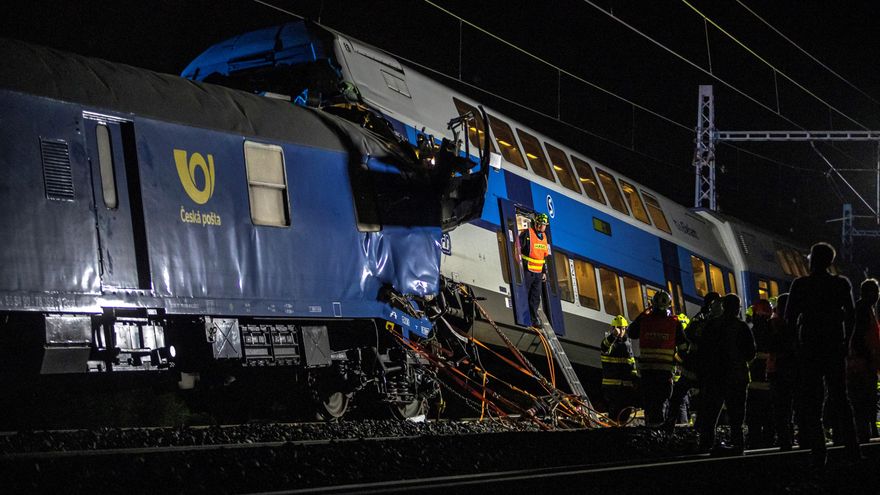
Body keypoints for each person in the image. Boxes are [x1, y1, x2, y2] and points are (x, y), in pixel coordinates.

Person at [784, 242, 860, 467]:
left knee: (812, 400)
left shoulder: (800, 285)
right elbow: (851, 314)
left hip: (810, 347)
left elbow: (790, 318)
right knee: (840, 397)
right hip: (834, 346)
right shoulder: (841, 284)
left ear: (813, 260)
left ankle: (819, 450)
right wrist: (847, 341)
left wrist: (796, 344)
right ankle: (852, 448)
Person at [697, 293, 756, 455]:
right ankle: (738, 444)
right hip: (737, 377)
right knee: (736, 416)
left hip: (715, 377)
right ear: (737, 308)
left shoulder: (712, 325)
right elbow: (751, 353)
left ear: (723, 306)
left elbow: (702, 350)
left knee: (710, 414)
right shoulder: (742, 327)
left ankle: (706, 444)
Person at [628, 291, 686, 427]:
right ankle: (659, 432)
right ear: (669, 305)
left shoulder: (644, 320)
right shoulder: (674, 323)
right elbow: (684, 348)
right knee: (661, 402)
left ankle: (651, 429)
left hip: (647, 371)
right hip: (665, 372)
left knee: (649, 402)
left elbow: (631, 333)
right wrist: (676, 361)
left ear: (652, 304)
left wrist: (644, 313)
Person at [846, 278, 880, 443]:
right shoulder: (863, 309)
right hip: (863, 363)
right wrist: (867, 357)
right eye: (874, 291)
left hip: (865, 361)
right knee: (865, 397)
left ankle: (867, 429)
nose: (877, 294)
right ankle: (866, 430)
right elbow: (859, 337)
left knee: (866, 397)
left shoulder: (866, 308)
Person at [767, 293, 796, 450]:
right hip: (793, 369)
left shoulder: (772, 324)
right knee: (793, 405)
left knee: (781, 407)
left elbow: (768, 345)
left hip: (776, 369)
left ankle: (785, 438)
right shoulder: (794, 323)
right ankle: (793, 436)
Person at [746, 298, 775, 448]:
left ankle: (754, 444)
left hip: (753, 386)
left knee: (753, 420)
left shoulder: (751, 331)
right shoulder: (775, 331)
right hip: (771, 384)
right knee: (770, 420)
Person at [600, 315, 639, 423]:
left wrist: (634, 379)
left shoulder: (627, 344)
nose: (621, 331)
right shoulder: (610, 342)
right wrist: (613, 336)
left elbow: (631, 363)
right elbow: (604, 347)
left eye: (623, 328)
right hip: (612, 387)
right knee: (614, 412)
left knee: (626, 411)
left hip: (625, 386)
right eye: (619, 328)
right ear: (613, 328)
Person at [518, 213, 551, 329]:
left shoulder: (544, 237)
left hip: (538, 273)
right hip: (527, 270)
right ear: (537, 224)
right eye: (542, 224)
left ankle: (533, 319)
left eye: (544, 225)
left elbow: (543, 257)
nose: (543, 227)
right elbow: (517, 248)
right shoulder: (527, 234)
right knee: (525, 293)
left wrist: (544, 273)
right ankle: (523, 316)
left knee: (535, 297)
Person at [666, 313, 693, 429]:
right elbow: (681, 359)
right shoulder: (684, 342)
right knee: (682, 405)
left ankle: (681, 425)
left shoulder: (673, 338)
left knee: (681, 404)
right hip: (680, 378)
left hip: (678, 378)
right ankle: (683, 427)